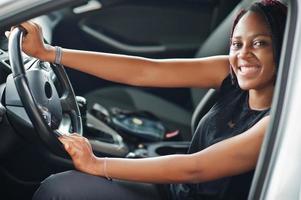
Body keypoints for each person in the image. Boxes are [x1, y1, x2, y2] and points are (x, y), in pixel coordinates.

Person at [6, 0, 287, 199]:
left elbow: (195, 168)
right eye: (237, 44)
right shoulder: (232, 72)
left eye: (260, 43)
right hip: (176, 188)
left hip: (185, 183)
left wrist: (97, 164)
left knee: (60, 191)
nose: (243, 54)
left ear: (286, 49)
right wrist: (50, 53)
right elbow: (146, 71)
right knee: (63, 186)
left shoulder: (279, 122)